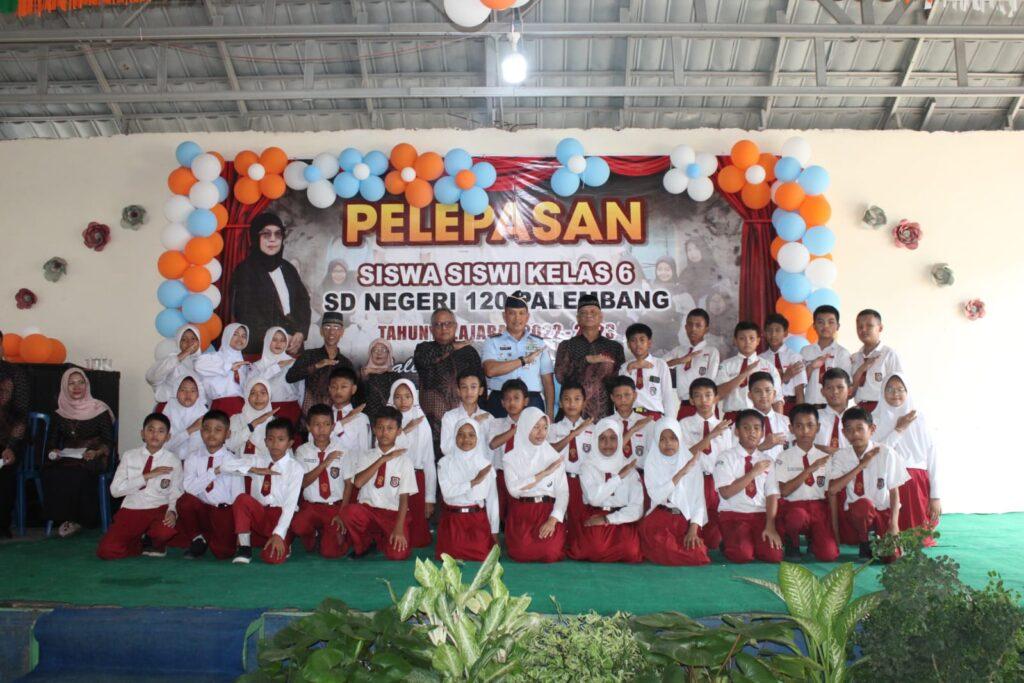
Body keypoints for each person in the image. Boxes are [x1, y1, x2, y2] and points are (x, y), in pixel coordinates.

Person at [97, 413, 182, 560]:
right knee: (107, 551)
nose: (155, 434)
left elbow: (176, 492)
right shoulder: (129, 456)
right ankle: (139, 542)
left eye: (161, 431)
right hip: (132, 508)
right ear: (142, 434)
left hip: (158, 508)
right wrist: (146, 476)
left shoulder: (173, 460)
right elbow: (115, 491)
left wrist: (172, 511)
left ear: (168, 437)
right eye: (151, 430)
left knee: (164, 531)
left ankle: (154, 541)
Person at [336, 408, 417, 561]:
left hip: (392, 515)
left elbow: (404, 499)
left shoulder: (405, 461)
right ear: (374, 430)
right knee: (349, 512)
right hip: (369, 511)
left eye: (390, 428)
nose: (384, 433)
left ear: (399, 431)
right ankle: (364, 544)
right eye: (380, 428)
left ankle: (382, 540)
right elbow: (358, 483)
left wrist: (399, 528)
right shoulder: (366, 455)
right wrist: (382, 459)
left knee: (398, 555)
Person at [827, 407, 909, 559]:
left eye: (860, 428)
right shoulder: (841, 456)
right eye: (849, 430)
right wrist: (861, 466)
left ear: (872, 429)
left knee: (892, 558)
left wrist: (894, 525)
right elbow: (832, 489)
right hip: (856, 516)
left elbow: (894, 492)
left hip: (882, 513)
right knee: (863, 505)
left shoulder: (886, 453)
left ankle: (880, 539)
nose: (855, 434)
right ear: (843, 433)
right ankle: (864, 542)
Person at [43, 367, 115, 538]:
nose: (77, 387)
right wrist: (54, 451)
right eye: (71, 383)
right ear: (64, 386)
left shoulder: (99, 409)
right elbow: (52, 441)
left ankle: (79, 520)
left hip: (95, 455)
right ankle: (63, 518)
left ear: (87, 385)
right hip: (69, 455)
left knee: (79, 472)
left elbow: (108, 441)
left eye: (81, 382)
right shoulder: (60, 412)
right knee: (52, 471)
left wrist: (96, 452)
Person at [872, 373, 940, 544]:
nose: (895, 393)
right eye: (889, 389)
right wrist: (898, 430)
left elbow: (933, 457)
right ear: (882, 391)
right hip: (886, 478)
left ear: (907, 391)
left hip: (915, 481)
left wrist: (935, 496)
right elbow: (876, 453)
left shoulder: (920, 418)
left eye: (900, 389)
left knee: (917, 540)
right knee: (889, 541)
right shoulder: (875, 419)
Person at [231, 212, 312, 355]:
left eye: (278, 234)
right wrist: (279, 338)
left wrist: (300, 332)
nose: (273, 239)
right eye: (266, 234)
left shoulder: (288, 268)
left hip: (293, 346)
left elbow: (303, 302)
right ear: (255, 237)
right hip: (261, 349)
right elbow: (245, 314)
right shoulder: (245, 270)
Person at [765, 404, 838, 561]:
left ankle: (814, 540)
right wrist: (809, 469)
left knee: (829, 555)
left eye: (810, 425)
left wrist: (834, 527)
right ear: (791, 429)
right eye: (799, 426)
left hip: (818, 508)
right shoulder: (784, 457)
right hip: (794, 508)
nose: (805, 431)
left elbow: (831, 493)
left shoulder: (825, 458)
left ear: (818, 427)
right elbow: (784, 491)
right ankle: (792, 541)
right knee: (797, 516)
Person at [567, 418, 644, 563]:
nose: (608, 443)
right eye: (602, 438)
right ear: (595, 440)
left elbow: (637, 508)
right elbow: (594, 499)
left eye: (613, 438)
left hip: (622, 518)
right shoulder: (587, 467)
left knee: (630, 551)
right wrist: (618, 477)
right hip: (595, 515)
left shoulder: (629, 468)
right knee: (596, 548)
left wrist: (608, 519)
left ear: (620, 440)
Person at [229, 417, 304, 564]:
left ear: (290, 443)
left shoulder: (295, 468)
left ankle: (283, 540)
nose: (275, 443)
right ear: (265, 441)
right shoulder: (257, 460)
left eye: (281, 439)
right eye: (270, 439)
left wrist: (278, 534)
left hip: (281, 515)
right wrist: (253, 469)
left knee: (272, 558)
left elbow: (290, 506)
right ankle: (244, 547)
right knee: (242, 499)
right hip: (261, 514)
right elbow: (226, 466)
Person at [713, 409, 783, 564]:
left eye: (757, 428)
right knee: (742, 555)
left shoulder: (767, 460)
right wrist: (753, 473)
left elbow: (772, 494)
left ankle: (750, 542)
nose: (752, 432)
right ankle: (729, 542)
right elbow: (726, 492)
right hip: (734, 515)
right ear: (737, 431)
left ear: (762, 433)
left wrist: (770, 526)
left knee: (774, 556)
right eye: (746, 428)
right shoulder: (726, 457)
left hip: (760, 515)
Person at [639, 417, 711, 566]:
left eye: (673, 438)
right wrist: (681, 473)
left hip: (685, 519)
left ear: (679, 438)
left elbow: (698, 501)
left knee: (699, 554)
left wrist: (693, 530)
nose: (668, 443)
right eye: (663, 439)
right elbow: (657, 495)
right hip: (660, 518)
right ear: (656, 441)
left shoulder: (692, 463)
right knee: (666, 546)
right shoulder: (652, 463)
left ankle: (662, 553)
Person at [502, 407, 569, 563]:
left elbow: (563, 492)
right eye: (536, 427)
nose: (541, 432)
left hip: (547, 511)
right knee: (521, 552)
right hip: (523, 512)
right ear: (525, 426)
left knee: (550, 553)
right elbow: (514, 490)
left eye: (545, 427)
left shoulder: (554, 457)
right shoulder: (510, 458)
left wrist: (553, 519)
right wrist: (543, 474)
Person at [177, 410, 241, 560]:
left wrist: (239, 531)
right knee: (185, 502)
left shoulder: (233, 460)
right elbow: (189, 488)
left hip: (223, 512)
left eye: (218, 430)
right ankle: (198, 538)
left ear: (227, 434)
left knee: (223, 553)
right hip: (201, 509)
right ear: (201, 432)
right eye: (207, 429)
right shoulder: (193, 457)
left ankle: (211, 538)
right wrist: (214, 472)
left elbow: (238, 497)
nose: (211, 434)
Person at [291, 404, 353, 559]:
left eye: (326, 424)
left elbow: (348, 485)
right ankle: (313, 535)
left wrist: (342, 514)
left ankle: (332, 535)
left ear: (332, 426)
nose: (321, 429)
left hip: (334, 507)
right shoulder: (302, 451)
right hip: (311, 506)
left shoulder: (343, 450)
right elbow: (302, 483)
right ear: (308, 427)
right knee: (297, 525)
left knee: (331, 552)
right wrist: (325, 463)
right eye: (316, 424)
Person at [678, 378, 733, 550]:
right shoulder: (684, 424)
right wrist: (710, 436)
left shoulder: (725, 428)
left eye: (708, 395)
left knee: (713, 542)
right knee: (690, 537)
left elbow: (729, 459)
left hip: (717, 482)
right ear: (691, 400)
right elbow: (685, 456)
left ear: (716, 398)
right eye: (698, 396)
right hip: (694, 480)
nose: (703, 400)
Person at [481, 291, 555, 418]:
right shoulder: (492, 341)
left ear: (527, 316)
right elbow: (490, 370)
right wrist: (523, 360)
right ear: (504, 316)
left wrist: (550, 413)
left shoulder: (539, 343)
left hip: (532, 401)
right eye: (512, 313)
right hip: (501, 401)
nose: (517, 318)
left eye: (521, 313)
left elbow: (548, 383)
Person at [436, 418, 499, 560]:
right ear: (454, 437)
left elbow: (492, 500)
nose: (466, 439)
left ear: (477, 438)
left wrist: (494, 532)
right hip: (453, 520)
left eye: (471, 435)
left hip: (476, 521)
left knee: (483, 556)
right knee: (449, 556)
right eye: (461, 434)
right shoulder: (444, 463)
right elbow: (447, 492)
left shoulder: (485, 464)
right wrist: (473, 482)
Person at [555, 294, 626, 420]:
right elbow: (560, 376)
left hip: (604, 414)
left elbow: (619, 382)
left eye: (593, 312)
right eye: (584, 313)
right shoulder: (567, 345)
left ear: (601, 316)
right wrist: (587, 360)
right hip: (572, 414)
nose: (588, 315)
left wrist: (604, 368)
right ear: (578, 318)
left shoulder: (614, 347)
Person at [388, 379, 436, 548]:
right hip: (392, 477)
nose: (403, 401)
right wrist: (406, 430)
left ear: (414, 397)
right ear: (392, 398)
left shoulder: (422, 423)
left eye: (407, 396)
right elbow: (385, 448)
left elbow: (429, 461)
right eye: (398, 397)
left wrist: (430, 497)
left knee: (417, 540)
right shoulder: (387, 422)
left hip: (416, 478)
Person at [546, 382, 592, 545]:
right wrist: (574, 434)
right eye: (567, 399)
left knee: (580, 521)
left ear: (584, 403)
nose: (572, 403)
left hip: (584, 480)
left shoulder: (593, 428)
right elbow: (551, 451)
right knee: (560, 516)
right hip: (560, 480)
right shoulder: (552, 429)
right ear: (560, 403)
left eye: (577, 399)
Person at [285, 312, 355, 415]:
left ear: (342, 332)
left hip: (335, 417)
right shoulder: (309, 355)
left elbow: (352, 393)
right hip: (310, 417)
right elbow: (290, 377)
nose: (331, 332)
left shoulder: (346, 363)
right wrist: (316, 366)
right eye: (327, 327)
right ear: (321, 331)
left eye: (336, 328)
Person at [715, 322, 782, 418]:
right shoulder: (726, 365)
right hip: (733, 417)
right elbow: (718, 393)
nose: (747, 342)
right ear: (735, 341)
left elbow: (777, 399)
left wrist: (778, 422)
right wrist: (743, 374)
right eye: (742, 338)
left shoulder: (768, 366)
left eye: (751, 338)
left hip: (760, 417)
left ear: (758, 341)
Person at [487, 379, 530, 521]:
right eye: (507, 399)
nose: (512, 402)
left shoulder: (533, 425)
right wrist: (515, 429)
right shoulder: (496, 423)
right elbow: (493, 444)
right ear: (502, 403)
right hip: (501, 474)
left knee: (519, 514)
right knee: (500, 513)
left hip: (522, 475)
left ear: (526, 401)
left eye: (516, 398)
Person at [668, 308, 721, 419]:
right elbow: (659, 365)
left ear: (706, 329)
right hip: (684, 405)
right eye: (690, 325)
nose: (693, 329)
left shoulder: (712, 351)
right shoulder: (679, 350)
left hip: (705, 405)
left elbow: (711, 382)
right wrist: (681, 360)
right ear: (685, 327)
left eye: (698, 325)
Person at [617, 323, 674, 419]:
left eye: (642, 340)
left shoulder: (660, 364)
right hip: (630, 417)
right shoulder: (625, 367)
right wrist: (630, 368)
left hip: (654, 417)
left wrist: (670, 422)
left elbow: (667, 395)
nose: (638, 344)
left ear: (649, 343)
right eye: (633, 340)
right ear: (628, 345)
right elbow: (620, 393)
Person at [851, 310, 904, 412]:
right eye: (859, 327)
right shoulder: (854, 358)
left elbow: (899, 388)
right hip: (860, 412)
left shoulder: (889, 355)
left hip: (883, 410)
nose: (863, 330)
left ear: (880, 328)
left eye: (869, 326)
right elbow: (850, 390)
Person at [249, 326, 303, 426]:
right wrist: (276, 367)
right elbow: (253, 385)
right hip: (264, 410)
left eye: (282, 340)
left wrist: (303, 411)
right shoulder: (257, 365)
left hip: (291, 408)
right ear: (267, 340)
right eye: (274, 339)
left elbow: (301, 389)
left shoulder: (294, 363)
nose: (278, 344)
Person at [801, 306, 852, 407]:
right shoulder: (805, 351)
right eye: (820, 322)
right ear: (814, 326)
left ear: (838, 326)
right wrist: (811, 367)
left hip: (832, 407)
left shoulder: (842, 353)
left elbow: (847, 385)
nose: (825, 326)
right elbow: (799, 384)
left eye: (831, 322)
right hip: (810, 406)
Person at [193, 323, 250, 415]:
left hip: (242, 407)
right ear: (227, 335)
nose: (240, 339)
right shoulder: (214, 357)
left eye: (244, 336)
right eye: (235, 334)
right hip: (220, 406)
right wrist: (229, 366)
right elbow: (198, 366)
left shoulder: (244, 365)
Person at [0, 346, 27, 538]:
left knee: (5, 472)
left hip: (8, 439)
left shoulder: (16, 374)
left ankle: (2, 524)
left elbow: (21, 416)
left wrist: (11, 447)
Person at [439, 370, 492, 459]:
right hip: (456, 465)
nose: (469, 392)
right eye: (464, 387)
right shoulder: (449, 417)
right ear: (458, 391)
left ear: (480, 390)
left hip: (482, 466)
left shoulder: (489, 418)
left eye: (473, 387)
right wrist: (473, 422)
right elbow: (445, 449)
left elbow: (491, 451)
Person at [607, 376, 655, 473]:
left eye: (627, 395)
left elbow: (655, 455)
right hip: (615, 476)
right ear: (612, 398)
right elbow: (606, 455)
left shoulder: (647, 423)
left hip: (642, 475)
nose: (623, 400)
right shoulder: (606, 424)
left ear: (635, 395)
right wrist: (632, 430)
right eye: (618, 396)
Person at [760, 314, 807, 413]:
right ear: (764, 333)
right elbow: (759, 387)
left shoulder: (795, 357)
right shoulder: (760, 359)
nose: (773, 334)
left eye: (777, 330)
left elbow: (799, 391)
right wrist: (784, 377)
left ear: (785, 333)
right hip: (767, 407)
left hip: (791, 406)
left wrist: (800, 413)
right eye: (769, 330)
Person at [146, 324, 201, 404]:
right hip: (168, 407)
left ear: (199, 341)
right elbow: (152, 378)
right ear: (178, 342)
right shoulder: (171, 360)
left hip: (194, 410)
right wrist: (182, 355)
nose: (189, 342)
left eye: (193, 338)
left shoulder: (203, 363)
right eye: (184, 339)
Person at [327, 366, 372, 458]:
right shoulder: (323, 416)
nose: (338, 391)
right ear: (329, 389)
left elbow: (364, 451)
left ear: (353, 389)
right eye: (334, 387)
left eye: (343, 387)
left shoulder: (361, 418)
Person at [227, 379, 277, 461]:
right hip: (239, 467)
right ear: (247, 396)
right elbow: (229, 445)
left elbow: (278, 452)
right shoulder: (236, 419)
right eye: (253, 393)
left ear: (269, 395)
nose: (258, 397)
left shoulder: (276, 423)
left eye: (263, 393)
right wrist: (253, 424)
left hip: (267, 467)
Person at [747, 372, 790, 462]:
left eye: (767, 390)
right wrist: (762, 447)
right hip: (754, 469)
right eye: (758, 391)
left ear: (774, 394)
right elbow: (736, 458)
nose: (763, 395)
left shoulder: (786, 421)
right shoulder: (742, 423)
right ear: (750, 395)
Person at [163, 374, 208, 458]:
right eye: (183, 390)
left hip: (197, 461)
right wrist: (190, 429)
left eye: (193, 391)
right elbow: (164, 445)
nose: (188, 394)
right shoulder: (169, 411)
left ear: (198, 394)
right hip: (171, 460)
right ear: (176, 392)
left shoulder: (203, 413)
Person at [360, 338, 400, 420]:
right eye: (375, 350)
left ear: (389, 353)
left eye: (383, 350)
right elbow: (358, 400)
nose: (379, 353)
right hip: (368, 420)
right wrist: (364, 379)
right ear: (370, 353)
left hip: (390, 420)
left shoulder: (395, 376)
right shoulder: (363, 375)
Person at [815, 368, 851, 453]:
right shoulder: (814, 417)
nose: (835, 391)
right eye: (829, 388)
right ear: (822, 392)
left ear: (849, 391)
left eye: (840, 387)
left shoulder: (858, 419)